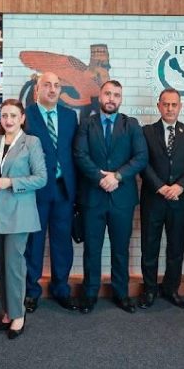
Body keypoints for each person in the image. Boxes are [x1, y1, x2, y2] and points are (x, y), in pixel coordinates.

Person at [73, 80, 148, 314]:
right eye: (107, 94)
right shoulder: (86, 124)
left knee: (120, 249)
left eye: (116, 95)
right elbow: (80, 154)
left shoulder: (131, 124)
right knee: (92, 249)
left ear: (121, 99)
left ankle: (121, 293)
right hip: (92, 198)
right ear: (100, 96)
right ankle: (89, 294)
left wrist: (117, 176)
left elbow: (141, 157)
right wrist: (100, 178)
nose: (111, 98)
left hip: (122, 199)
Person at [0, 100, 47, 339]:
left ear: (22, 118)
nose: (8, 120)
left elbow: (41, 178)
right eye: (4, 115)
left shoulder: (31, 142)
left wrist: (11, 182)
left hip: (19, 213)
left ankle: (18, 314)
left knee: (14, 265)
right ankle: (8, 310)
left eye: (13, 116)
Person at [139, 88, 184, 309]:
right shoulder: (146, 132)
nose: (170, 108)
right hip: (153, 199)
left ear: (180, 107)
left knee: (175, 248)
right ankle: (149, 289)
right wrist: (160, 186)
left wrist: (179, 186)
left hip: (179, 201)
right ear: (159, 106)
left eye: (174, 104)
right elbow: (142, 163)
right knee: (149, 247)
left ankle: (171, 289)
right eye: (166, 104)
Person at [24, 72, 80, 312]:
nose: (52, 89)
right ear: (37, 89)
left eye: (57, 85)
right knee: (33, 243)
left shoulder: (70, 116)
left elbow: (74, 153)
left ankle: (61, 289)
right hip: (36, 191)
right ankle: (31, 291)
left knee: (62, 243)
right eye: (47, 85)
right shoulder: (26, 115)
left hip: (63, 189)